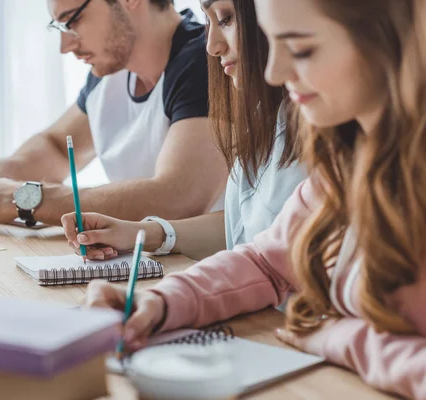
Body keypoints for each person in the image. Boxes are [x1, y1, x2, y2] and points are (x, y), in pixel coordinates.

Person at [80, 0, 426, 398]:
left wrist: (338, 336)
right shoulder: (346, 159)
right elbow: (267, 261)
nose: (274, 70)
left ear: (386, 40)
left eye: (301, 48)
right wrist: (160, 302)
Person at [0, 0, 226, 227]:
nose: (65, 46)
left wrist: (21, 199)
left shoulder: (207, 61)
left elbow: (179, 198)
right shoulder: (112, 70)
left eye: (74, 20)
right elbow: (57, 149)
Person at [62, 0, 306, 262]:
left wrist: (31, 201)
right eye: (209, 20)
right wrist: (141, 233)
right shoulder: (270, 117)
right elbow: (245, 232)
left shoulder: (194, 64)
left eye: (225, 18)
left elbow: (179, 195)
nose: (211, 47)